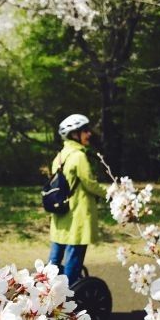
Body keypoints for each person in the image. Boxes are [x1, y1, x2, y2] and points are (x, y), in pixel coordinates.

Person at [48, 114, 108, 285]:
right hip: (77, 216)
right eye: (85, 131)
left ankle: (47, 291)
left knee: (55, 258)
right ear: (75, 134)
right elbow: (90, 184)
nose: (89, 134)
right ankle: (67, 297)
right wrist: (111, 194)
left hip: (60, 215)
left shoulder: (59, 157)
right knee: (74, 258)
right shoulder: (79, 157)